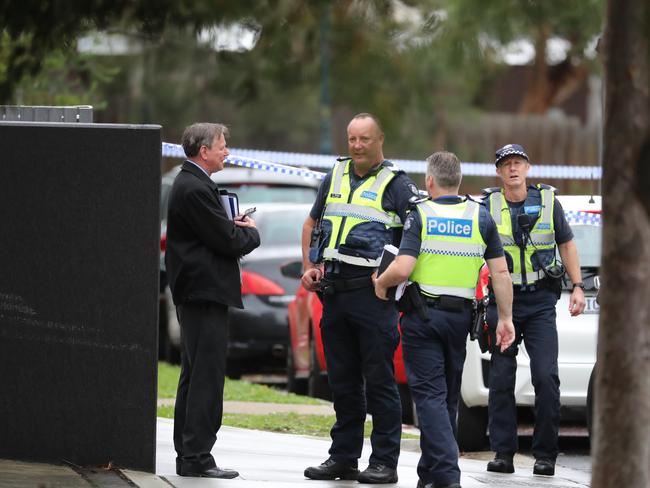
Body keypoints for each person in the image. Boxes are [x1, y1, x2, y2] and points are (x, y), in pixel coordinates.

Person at [373, 151, 515, 488]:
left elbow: (403, 267)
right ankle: (430, 476)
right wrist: (505, 318)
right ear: (459, 180)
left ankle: (448, 475)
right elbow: (500, 273)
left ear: (430, 181)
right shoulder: (480, 216)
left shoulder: (420, 214)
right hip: (460, 319)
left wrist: (380, 282)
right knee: (446, 398)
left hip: (423, 319)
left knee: (430, 398)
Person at [301, 113, 420, 484]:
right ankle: (344, 458)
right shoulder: (334, 174)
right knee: (343, 381)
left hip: (373, 296)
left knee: (380, 381)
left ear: (380, 139)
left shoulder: (397, 184)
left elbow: (418, 235)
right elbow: (312, 223)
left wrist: (390, 279)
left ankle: (384, 461)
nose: (356, 146)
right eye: (351, 138)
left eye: (364, 139)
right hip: (334, 294)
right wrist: (310, 265)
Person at [484, 143, 586, 477]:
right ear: (498, 172)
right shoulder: (488, 206)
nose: (512, 169)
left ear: (527, 168)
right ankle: (503, 452)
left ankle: (545, 455)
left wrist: (578, 286)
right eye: (506, 165)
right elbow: (474, 252)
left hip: (541, 300)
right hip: (502, 301)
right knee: (501, 379)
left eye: (517, 163)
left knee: (546, 376)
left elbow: (566, 244)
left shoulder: (547, 201)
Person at [165, 122, 260, 478]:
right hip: (203, 293)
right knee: (205, 375)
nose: (227, 152)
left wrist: (229, 227)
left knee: (194, 373)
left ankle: (190, 453)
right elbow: (228, 241)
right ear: (204, 150)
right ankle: (197, 456)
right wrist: (249, 233)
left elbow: (215, 232)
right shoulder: (194, 187)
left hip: (197, 292)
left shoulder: (193, 184)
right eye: (222, 146)